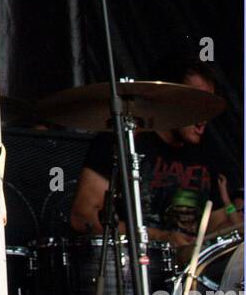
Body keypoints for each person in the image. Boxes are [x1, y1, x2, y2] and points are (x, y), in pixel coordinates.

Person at [69, 56, 244, 252]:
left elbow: (216, 225)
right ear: (168, 99)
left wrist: (235, 227)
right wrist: (158, 237)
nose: (202, 118)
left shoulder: (206, 154)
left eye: (207, 106)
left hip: (188, 275)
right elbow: (83, 217)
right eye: (194, 103)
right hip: (131, 267)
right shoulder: (124, 141)